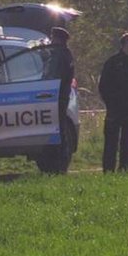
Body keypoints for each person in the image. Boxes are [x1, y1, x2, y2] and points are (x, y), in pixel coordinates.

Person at [98, 33, 128, 173]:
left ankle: (125, 169)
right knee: (111, 142)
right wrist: (110, 104)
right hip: (115, 109)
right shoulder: (113, 62)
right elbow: (103, 86)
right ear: (127, 43)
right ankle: (108, 169)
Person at [43, 27, 75, 173]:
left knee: (58, 129)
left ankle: (59, 162)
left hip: (56, 96)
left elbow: (51, 75)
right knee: (60, 128)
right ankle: (60, 161)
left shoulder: (58, 55)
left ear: (58, 39)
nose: (51, 39)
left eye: (53, 37)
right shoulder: (66, 54)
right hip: (61, 95)